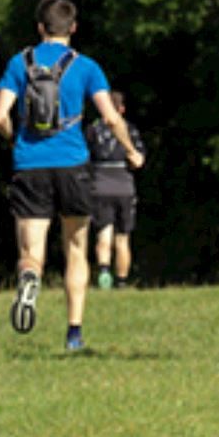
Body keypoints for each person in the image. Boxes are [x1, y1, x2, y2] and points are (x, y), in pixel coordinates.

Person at [0, 0, 144, 353]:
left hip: (30, 165)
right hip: (73, 164)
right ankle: (74, 332)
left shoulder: (19, 63)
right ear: (72, 28)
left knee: (32, 249)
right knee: (76, 248)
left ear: (40, 28)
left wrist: (14, 139)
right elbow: (110, 116)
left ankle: (30, 277)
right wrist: (131, 151)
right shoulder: (87, 66)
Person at [86, 92, 147, 289]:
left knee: (103, 234)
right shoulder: (130, 130)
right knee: (123, 238)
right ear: (121, 109)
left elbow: (84, 159)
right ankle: (121, 281)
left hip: (99, 185)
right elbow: (138, 159)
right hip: (124, 187)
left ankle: (104, 271)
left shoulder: (92, 130)